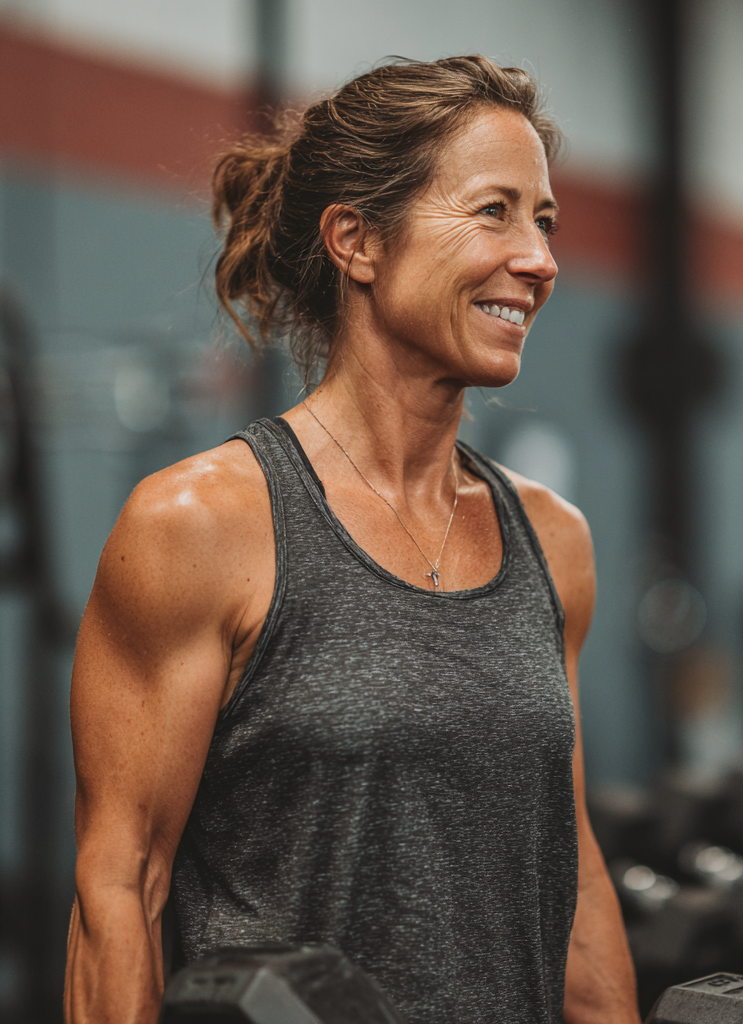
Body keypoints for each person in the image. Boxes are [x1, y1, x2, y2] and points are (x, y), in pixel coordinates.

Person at [64, 56, 640, 1024]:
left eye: (543, 221)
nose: (539, 259)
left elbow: (567, 867)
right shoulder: (200, 525)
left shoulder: (553, 540)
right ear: (356, 241)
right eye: (493, 211)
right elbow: (120, 888)